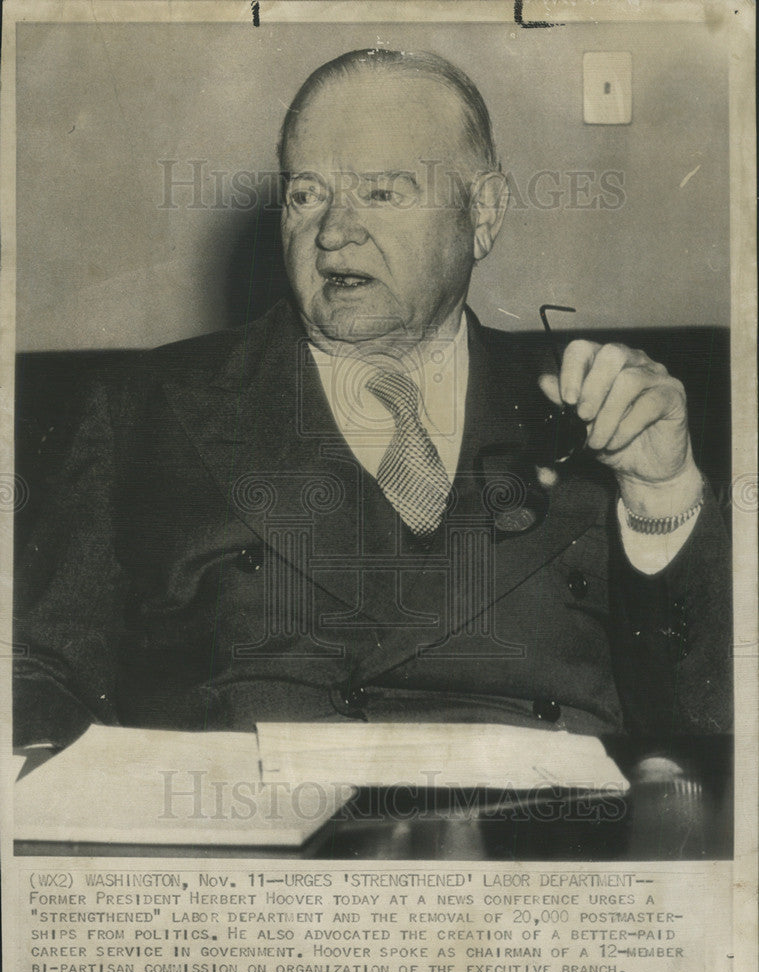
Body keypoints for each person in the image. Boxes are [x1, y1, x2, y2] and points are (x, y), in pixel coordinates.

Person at [13, 49, 731, 753]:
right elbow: (36, 680)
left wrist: (661, 494)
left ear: (483, 213)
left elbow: (709, 730)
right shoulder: (141, 411)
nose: (332, 232)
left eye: (382, 192)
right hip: (247, 840)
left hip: (536, 842)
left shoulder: (597, 409)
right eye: (306, 194)